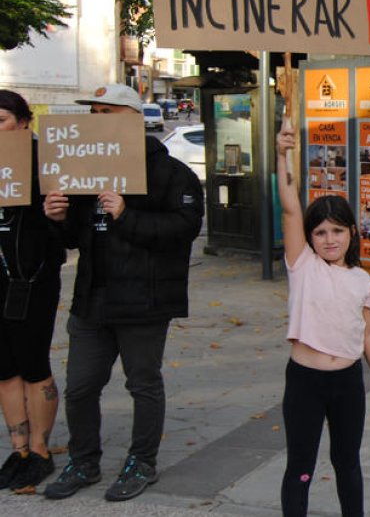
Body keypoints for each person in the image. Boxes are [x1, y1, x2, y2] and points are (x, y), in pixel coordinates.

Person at [42, 84, 204, 502]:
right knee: (79, 386)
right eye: (92, 113)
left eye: (105, 112)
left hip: (145, 302)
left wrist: (127, 215)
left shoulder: (173, 174)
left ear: (131, 119)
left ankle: (141, 462)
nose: (96, 121)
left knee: (143, 385)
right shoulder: (85, 172)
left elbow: (182, 231)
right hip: (92, 300)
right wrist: (59, 219)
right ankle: (84, 460)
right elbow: (79, 237)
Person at [275, 123, 370, 516]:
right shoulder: (302, 264)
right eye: (321, 232)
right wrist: (282, 154)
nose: (329, 239)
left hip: (347, 384)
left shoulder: (362, 279)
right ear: (309, 238)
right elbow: (291, 205)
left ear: (352, 233)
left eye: (338, 231)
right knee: (301, 469)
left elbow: (369, 334)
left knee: (348, 465)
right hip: (305, 383)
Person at [0, 90, 65, 494]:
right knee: (5, 369)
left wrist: (52, 210)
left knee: (33, 364)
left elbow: (65, 230)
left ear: (24, 122)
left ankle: (40, 449)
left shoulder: (47, 162)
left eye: (1, 120)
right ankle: (18, 449)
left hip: (33, 279)